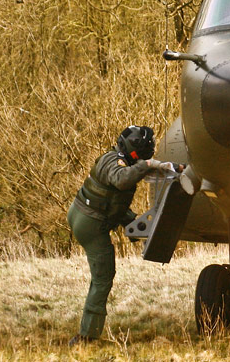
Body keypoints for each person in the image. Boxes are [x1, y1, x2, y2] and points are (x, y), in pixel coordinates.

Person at [67, 126, 179, 345]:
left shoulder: (121, 160)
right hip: (90, 223)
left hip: (88, 214)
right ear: (136, 148)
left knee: (102, 276)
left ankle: (87, 333)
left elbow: (113, 198)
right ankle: (86, 336)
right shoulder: (114, 162)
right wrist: (147, 165)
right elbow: (120, 180)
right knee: (103, 278)